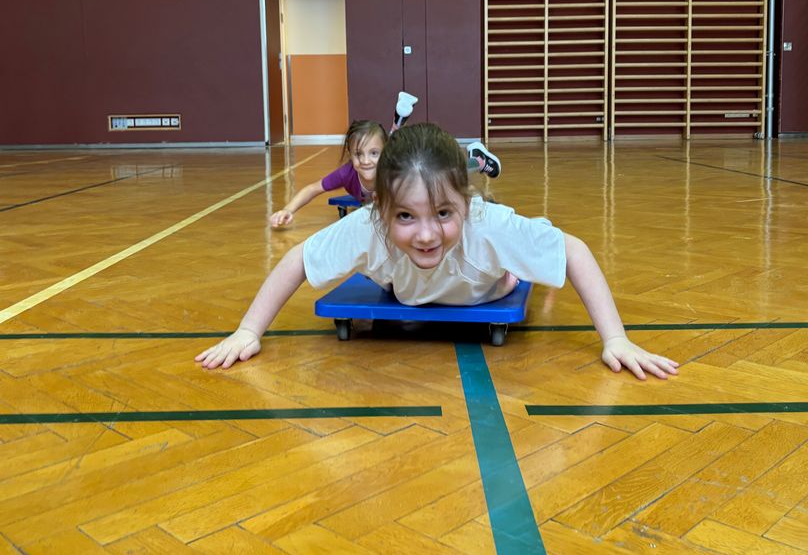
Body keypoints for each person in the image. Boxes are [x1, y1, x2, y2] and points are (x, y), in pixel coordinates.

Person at [200, 122, 679, 380]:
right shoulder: (368, 227)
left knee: (523, 248)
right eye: (406, 216)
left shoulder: (486, 227)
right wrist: (248, 331)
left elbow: (573, 251)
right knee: (395, 265)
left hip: (487, 287)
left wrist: (615, 339)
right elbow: (298, 259)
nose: (427, 234)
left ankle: (525, 236)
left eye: (443, 215)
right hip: (408, 290)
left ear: (465, 206)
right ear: (381, 208)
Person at [269, 93, 501, 227]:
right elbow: (313, 188)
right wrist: (288, 209)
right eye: (358, 154)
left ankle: (477, 161)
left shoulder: (392, 165)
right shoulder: (347, 173)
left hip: (404, 167)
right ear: (350, 155)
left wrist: (475, 200)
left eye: (373, 154)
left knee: (444, 174)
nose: (365, 161)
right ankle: (399, 119)